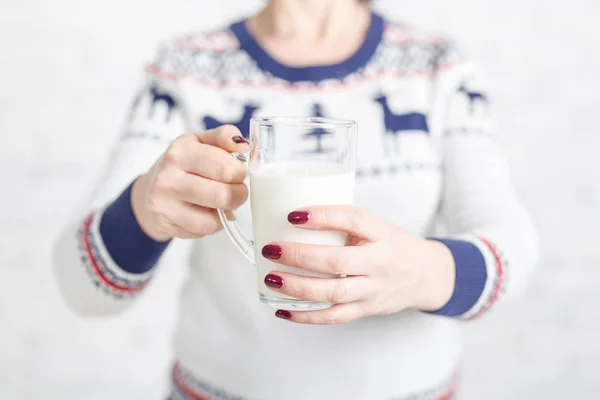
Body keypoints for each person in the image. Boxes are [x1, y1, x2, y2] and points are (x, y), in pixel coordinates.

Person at [53, 0, 538, 398]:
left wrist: (425, 272)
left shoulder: (438, 66)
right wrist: (143, 210)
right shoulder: (185, 69)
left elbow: (512, 243)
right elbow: (82, 289)